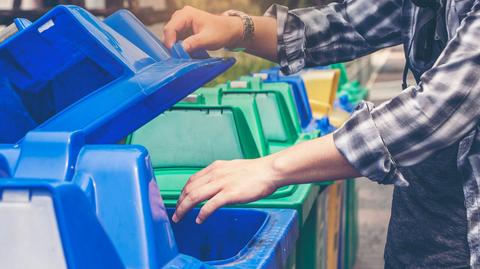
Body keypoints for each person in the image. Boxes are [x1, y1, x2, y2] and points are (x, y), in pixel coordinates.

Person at [163, 0, 480, 267]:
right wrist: (237, 29)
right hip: (421, 216)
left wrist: (270, 169)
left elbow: (435, 111)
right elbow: (342, 24)